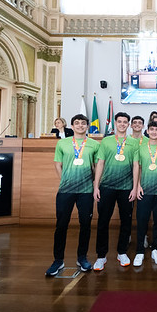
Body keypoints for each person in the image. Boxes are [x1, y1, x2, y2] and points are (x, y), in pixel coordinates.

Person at [46, 114, 99, 276]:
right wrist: (65, 181)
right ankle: (58, 260)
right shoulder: (62, 143)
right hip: (66, 191)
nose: (80, 126)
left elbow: (97, 168)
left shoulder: (94, 145)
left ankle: (82, 257)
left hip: (86, 191)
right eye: (77, 123)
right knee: (61, 225)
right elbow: (57, 164)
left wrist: (95, 185)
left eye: (83, 123)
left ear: (87, 126)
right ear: (72, 126)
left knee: (85, 225)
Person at [92, 112, 138, 270]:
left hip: (126, 188)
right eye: (120, 121)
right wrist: (96, 186)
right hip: (107, 187)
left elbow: (136, 165)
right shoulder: (106, 141)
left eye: (125, 122)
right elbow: (100, 163)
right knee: (103, 221)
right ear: (115, 123)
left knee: (126, 221)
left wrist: (134, 187)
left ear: (128, 124)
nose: (122, 124)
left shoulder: (133, 142)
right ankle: (101, 255)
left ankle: (122, 252)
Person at [132, 121, 157, 266]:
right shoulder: (140, 147)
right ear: (147, 131)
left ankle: (156, 249)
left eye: (156, 130)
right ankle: (140, 251)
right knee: (142, 220)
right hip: (144, 190)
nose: (154, 132)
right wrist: (138, 186)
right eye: (151, 129)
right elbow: (137, 167)